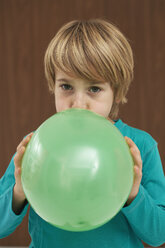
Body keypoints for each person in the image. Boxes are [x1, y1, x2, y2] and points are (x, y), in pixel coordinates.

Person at [0, 19, 165, 248]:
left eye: (94, 89)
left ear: (117, 92)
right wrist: (19, 191)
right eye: (66, 86)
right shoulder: (36, 146)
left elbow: (159, 235)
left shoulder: (140, 147)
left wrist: (133, 194)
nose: (78, 103)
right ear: (53, 85)